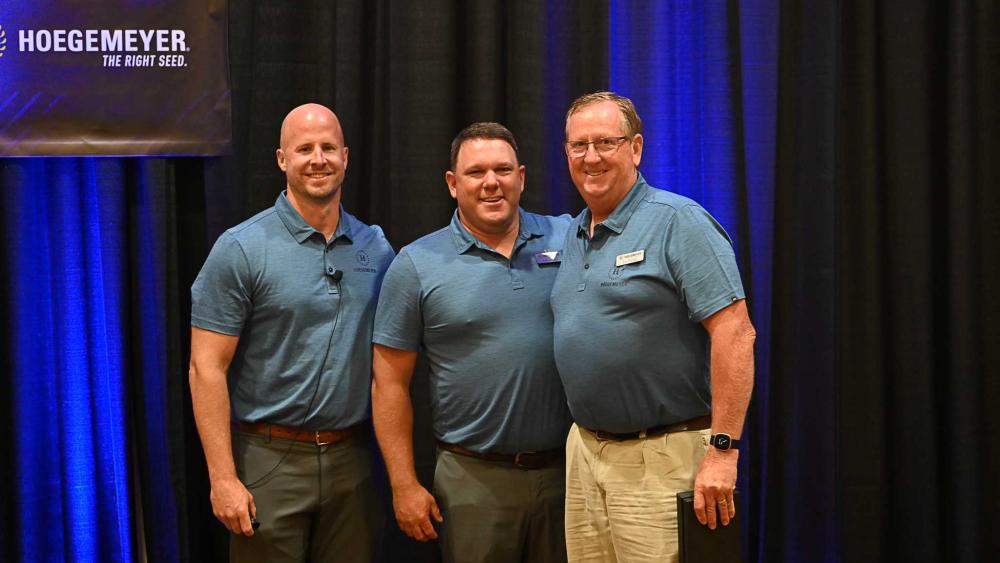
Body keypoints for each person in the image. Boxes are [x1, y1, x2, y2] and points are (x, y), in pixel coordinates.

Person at [550, 91, 756, 562]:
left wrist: (724, 450)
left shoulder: (679, 222)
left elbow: (736, 333)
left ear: (636, 148)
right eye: (579, 145)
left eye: (606, 142)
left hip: (662, 458)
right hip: (584, 454)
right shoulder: (573, 233)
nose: (591, 157)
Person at [189, 103, 392, 562]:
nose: (318, 159)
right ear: (282, 159)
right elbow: (206, 367)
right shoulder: (241, 248)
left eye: (328, 148)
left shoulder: (376, 247)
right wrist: (222, 478)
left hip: (353, 463)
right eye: (304, 149)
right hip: (267, 459)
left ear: (345, 157)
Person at [371, 122, 572, 563]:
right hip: (473, 481)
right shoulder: (416, 265)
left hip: (567, 476)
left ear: (522, 177)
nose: (491, 183)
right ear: (452, 183)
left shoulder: (569, 238)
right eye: (476, 172)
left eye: (503, 170)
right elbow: (388, 383)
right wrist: (403, 484)